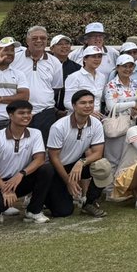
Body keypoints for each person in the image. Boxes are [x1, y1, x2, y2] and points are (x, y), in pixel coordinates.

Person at [0, 100, 52, 224]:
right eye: (21, 113)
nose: (26, 116)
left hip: (20, 179)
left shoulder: (35, 133)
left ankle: (33, 211)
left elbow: (40, 159)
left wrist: (21, 174)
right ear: (10, 115)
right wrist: (5, 189)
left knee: (47, 169)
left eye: (29, 113)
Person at [45, 89, 109, 218]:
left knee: (103, 165)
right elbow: (53, 157)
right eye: (83, 103)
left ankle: (89, 203)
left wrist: (81, 162)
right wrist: (68, 181)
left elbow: (98, 153)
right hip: (56, 169)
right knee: (63, 212)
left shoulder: (96, 123)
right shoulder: (59, 126)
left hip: (76, 164)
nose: (88, 106)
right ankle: (44, 196)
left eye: (91, 102)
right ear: (74, 106)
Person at [13, 25, 63, 139]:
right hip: (19, 111)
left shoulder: (55, 62)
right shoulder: (15, 59)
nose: (39, 41)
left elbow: (56, 88)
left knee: (43, 148)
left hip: (45, 113)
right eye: (34, 38)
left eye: (43, 38)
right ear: (27, 40)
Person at [0, 36, 31, 144]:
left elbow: (24, 97)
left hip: (10, 125)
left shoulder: (18, 74)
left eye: (12, 50)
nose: (10, 53)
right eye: (6, 49)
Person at [101, 54, 137, 165]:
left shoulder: (136, 84)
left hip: (132, 123)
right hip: (116, 123)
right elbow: (111, 107)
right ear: (117, 67)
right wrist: (132, 104)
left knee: (129, 157)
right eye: (125, 66)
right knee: (113, 158)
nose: (128, 69)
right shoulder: (111, 85)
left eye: (131, 66)